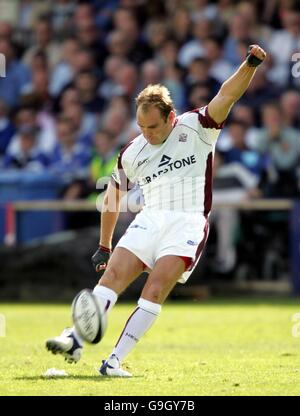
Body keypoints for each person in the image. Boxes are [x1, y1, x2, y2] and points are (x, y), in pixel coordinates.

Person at [46, 45, 266, 377]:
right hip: (150, 218)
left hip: (188, 222)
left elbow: (227, 95)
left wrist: (250, 63)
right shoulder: (131, 152)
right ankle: (75, 339)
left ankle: (114, 361)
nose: (146, 134)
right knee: (113, 277)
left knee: (155, 289)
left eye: (153, 127)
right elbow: (112, 196)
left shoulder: (197, 127)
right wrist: (104, 245)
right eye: (141, 127)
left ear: (170, 118)